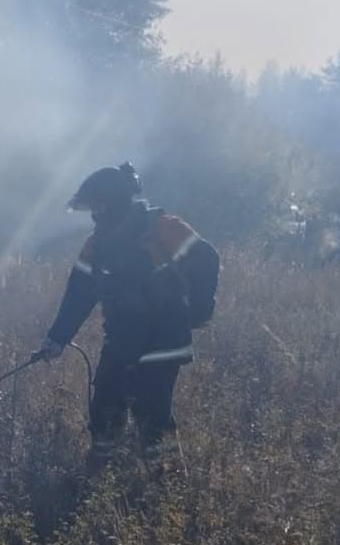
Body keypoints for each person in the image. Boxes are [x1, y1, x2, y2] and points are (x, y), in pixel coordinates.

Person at [40, 162, 216, 475]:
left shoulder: (162, 227)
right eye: (92, 208)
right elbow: (79, 294)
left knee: (151, 413)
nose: (95, 215)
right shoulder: (97, 244)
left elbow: (207, 258)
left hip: (165, 338)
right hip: (123, 337)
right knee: (105, 404)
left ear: (114, 201)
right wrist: (57, 338)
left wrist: (199, 310)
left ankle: (169, 485)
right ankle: (97, 477)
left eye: (98, 207)